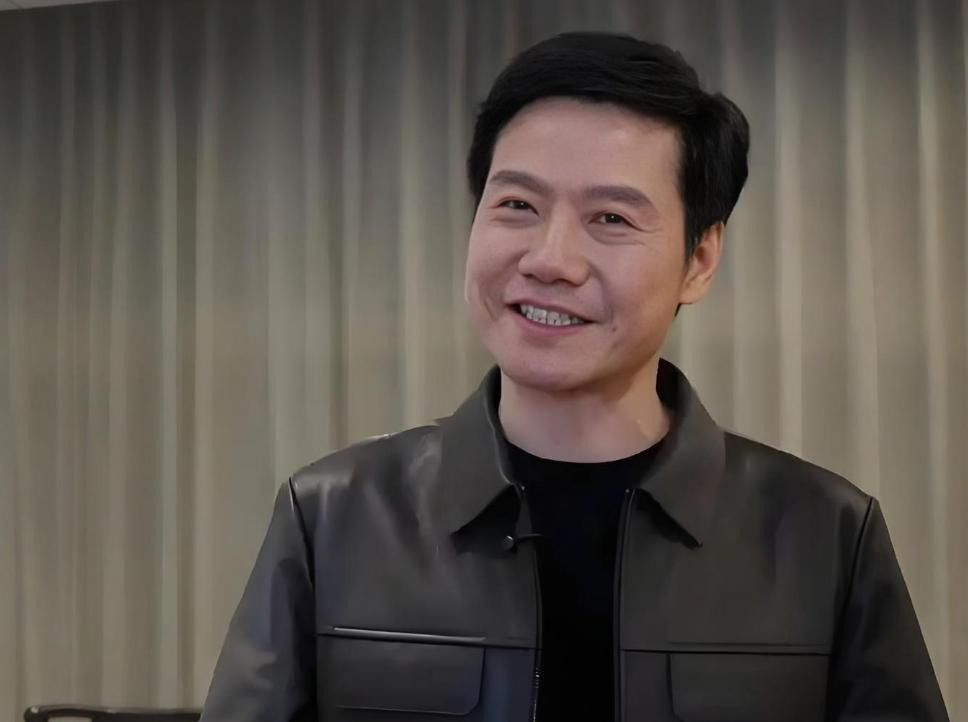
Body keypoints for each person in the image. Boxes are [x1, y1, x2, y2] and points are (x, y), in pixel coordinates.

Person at [199, 32, 948, 721]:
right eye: (517, 205)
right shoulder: (332, 519)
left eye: (611, 219)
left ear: (699, 259)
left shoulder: (824, 536)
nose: (550, 259)